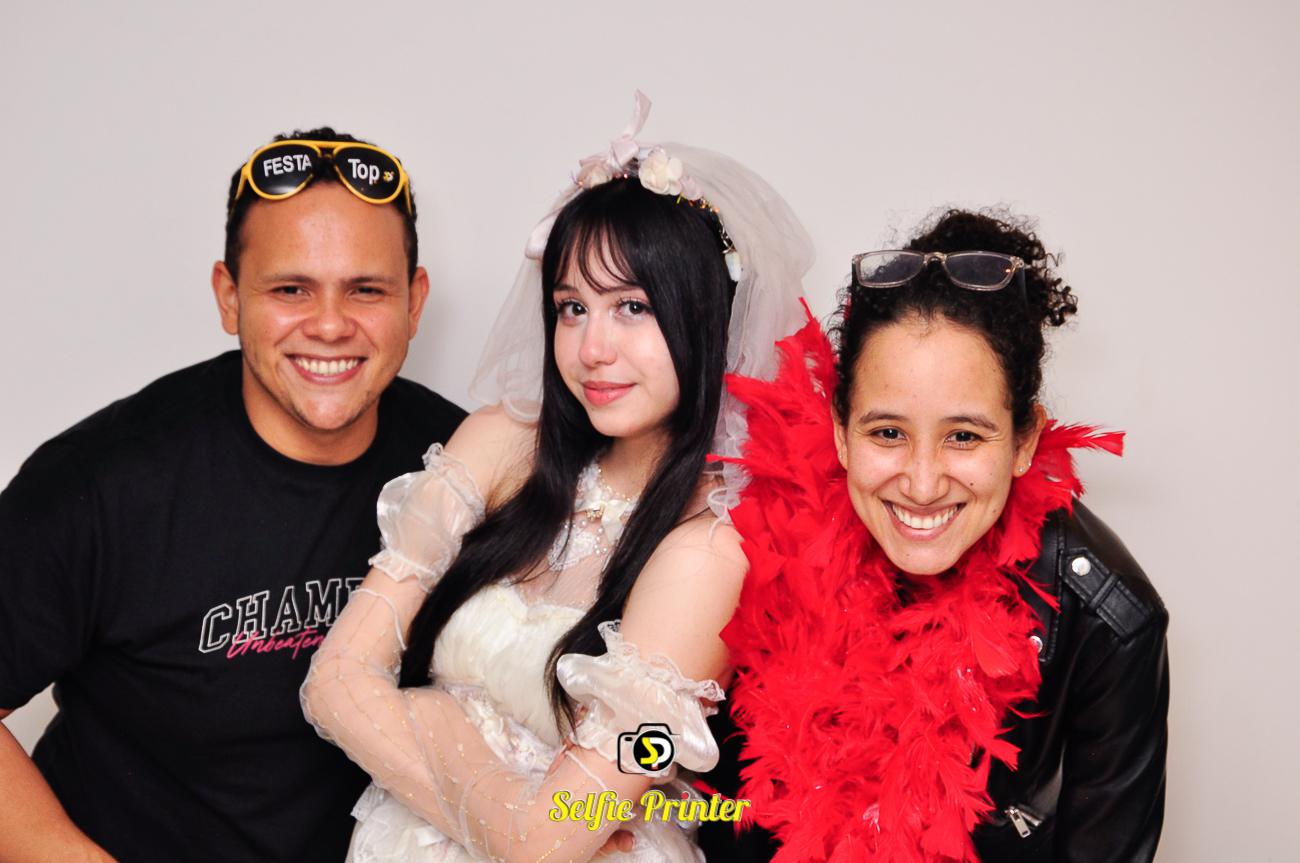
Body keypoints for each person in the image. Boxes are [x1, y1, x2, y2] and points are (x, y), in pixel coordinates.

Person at [300, 93, 813, 862]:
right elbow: (331, 681)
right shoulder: (501, 444)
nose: (592, 348)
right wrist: (505, 802)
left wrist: (435, 720)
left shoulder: (706, 550)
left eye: (632, 307)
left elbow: (559, 832)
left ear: (707, 318)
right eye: (572, 307)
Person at [0, 128, 465, 862]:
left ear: (414, 301)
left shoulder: (463, 466)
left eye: (366, 289)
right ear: (228, 297)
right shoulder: (101, 483)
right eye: (290, 289)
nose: (330, 325)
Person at [719, 210, 1168, 862]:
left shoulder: (1110, 620)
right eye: (887, 432)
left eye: (964, 435)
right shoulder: (763, 548)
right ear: (841, 432)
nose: (923, 483)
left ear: (1023, 441)